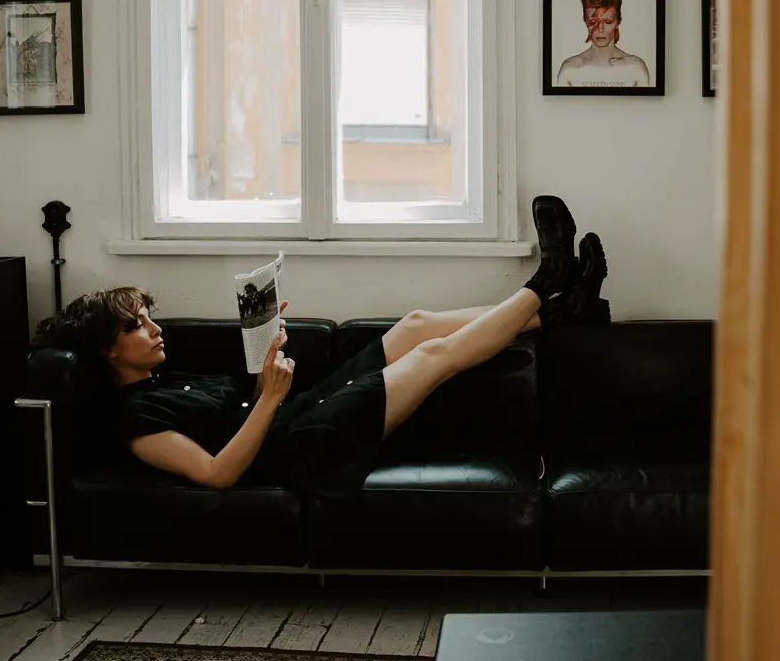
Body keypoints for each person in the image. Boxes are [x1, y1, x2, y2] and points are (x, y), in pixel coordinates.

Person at [30, 196, 609, 502]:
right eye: (137, 326)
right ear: (108, 350)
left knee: (415, 326)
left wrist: (267, 355)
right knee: (429, 359)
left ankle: (563, 312)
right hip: (306, 447)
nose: (156, 329)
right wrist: (269, 398)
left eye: (150, 318)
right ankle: (547, 282)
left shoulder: (168, 378)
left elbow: (242, 409)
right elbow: (218, 473)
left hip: (302, 412)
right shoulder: (136, 422)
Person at [556, 0, 651, 88]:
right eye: (593, 22)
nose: (600, 29)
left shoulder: (635, 68)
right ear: (585, 22)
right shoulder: (570, 69)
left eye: (608, 22)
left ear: (618, 22)